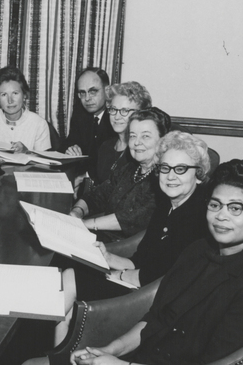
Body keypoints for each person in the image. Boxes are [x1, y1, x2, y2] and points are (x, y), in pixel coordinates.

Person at [0, 159, 243, 365]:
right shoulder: (197, 251)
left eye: (235, 208)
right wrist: (109, 349)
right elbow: (154, 318)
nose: (221, 217)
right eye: (215, 205)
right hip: (142, 361)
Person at [54, 131, 210, 344]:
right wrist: (107, 258)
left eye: (181, 169)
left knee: (69, 280)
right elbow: (139, 259)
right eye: (165, 168)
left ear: (198, 175)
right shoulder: (167, 205)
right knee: (66, 273)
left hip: (151, 301)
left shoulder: (199, 218)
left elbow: (167, 280)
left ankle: (50, 356)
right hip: (138, 282)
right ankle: (56, 353)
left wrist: (120, 275)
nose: (171, 176)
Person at [69, 107, 171, 238]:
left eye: (145, 136)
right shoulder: (130, 169)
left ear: (163, 141)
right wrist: (77, 212)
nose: (137, 142)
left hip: (122, 249)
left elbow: (131, 218)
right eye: (133, 136)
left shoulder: (164, 178)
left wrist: (82, 224)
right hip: (102, 236)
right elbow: (98, 195)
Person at [85, 81, 153, 187]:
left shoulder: (141, 151)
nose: (116, 117)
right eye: (113, 109)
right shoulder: (105, 147)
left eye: (125, 110)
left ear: (141, 114)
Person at [0, 66, 52, 153]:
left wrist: (26, 152)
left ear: (24, 95)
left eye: (15, 93)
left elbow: (44, 163)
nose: (10, 100)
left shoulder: (39, 124)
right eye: (4, 95)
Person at [63, 67, 116, 176]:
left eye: (93, 91)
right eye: (82, 93)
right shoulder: (80, 114)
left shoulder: (116, 117)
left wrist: (84, 176)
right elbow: (68, 143)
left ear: (107, 91)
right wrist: (70, 149)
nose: (87, 98)